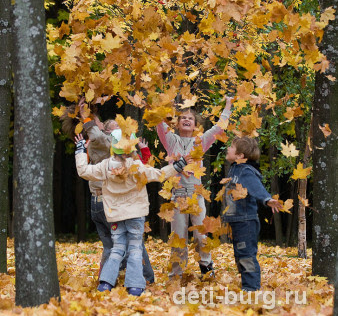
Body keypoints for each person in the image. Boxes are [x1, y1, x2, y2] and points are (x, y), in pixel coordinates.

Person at [74, 131, 191, 296]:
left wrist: (80, 151)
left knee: (117, 248)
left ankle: (106, 283)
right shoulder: (136, 166)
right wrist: (178, 166)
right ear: (130, 149)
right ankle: (135, 286)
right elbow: (158, 175)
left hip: (115, 215)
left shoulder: (105, 166)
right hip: (135, 215)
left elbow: (83, 171)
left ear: (113, 148)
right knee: (135, 248)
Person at [156, 97, 232, 278]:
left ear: (196, 124)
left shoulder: (201, 141)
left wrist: (228, 104)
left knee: (201, 235)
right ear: (177, 123)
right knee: (178, 238)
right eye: (183, 118)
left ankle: (207, 268)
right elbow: (159, 124)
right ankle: (176, 274)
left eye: (190, 118)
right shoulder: (171, 140)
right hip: (178, 197)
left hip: (196, 197)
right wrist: (162, 104)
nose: (187, 120)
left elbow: (219, 128)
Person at [221, 136, 283, 291]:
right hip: (238, 220)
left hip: (246, 222)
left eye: (231, 147)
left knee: (246, 255)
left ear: (240, 155)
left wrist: (267, 200)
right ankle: (247, 284)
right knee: (240, 254)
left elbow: (256, 187)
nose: (228, 148)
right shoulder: (234, 168)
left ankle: (251, 288)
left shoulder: (246, 171)